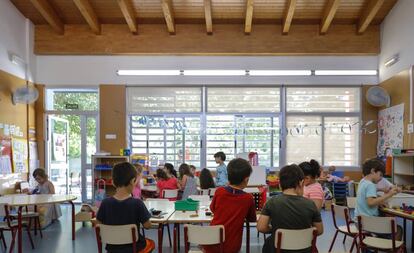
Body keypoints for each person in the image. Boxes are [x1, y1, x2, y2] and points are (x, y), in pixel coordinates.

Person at [257, 164, 323, 253]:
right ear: (301, 183)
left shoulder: (271, 202)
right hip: (304, 249)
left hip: (278, 249)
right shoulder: (310, 204)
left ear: (279, 185)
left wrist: (275, 230)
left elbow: (261, 227)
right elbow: (319, 230)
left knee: (269, 241)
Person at [96, 162, 154, 252]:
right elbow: (147, 226)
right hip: (134, 248)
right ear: (132, 181)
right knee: (150, 243)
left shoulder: (105, 203)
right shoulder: (137, 203)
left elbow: (98, 225)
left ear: (113, 182)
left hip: (112, 248)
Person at [204, 158, 257, 253]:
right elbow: (252, 219)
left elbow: (212, 209)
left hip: (210, 243)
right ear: (246, 179)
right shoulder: (248, 198)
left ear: (228, 176)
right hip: (232, 247)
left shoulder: (219, 191)